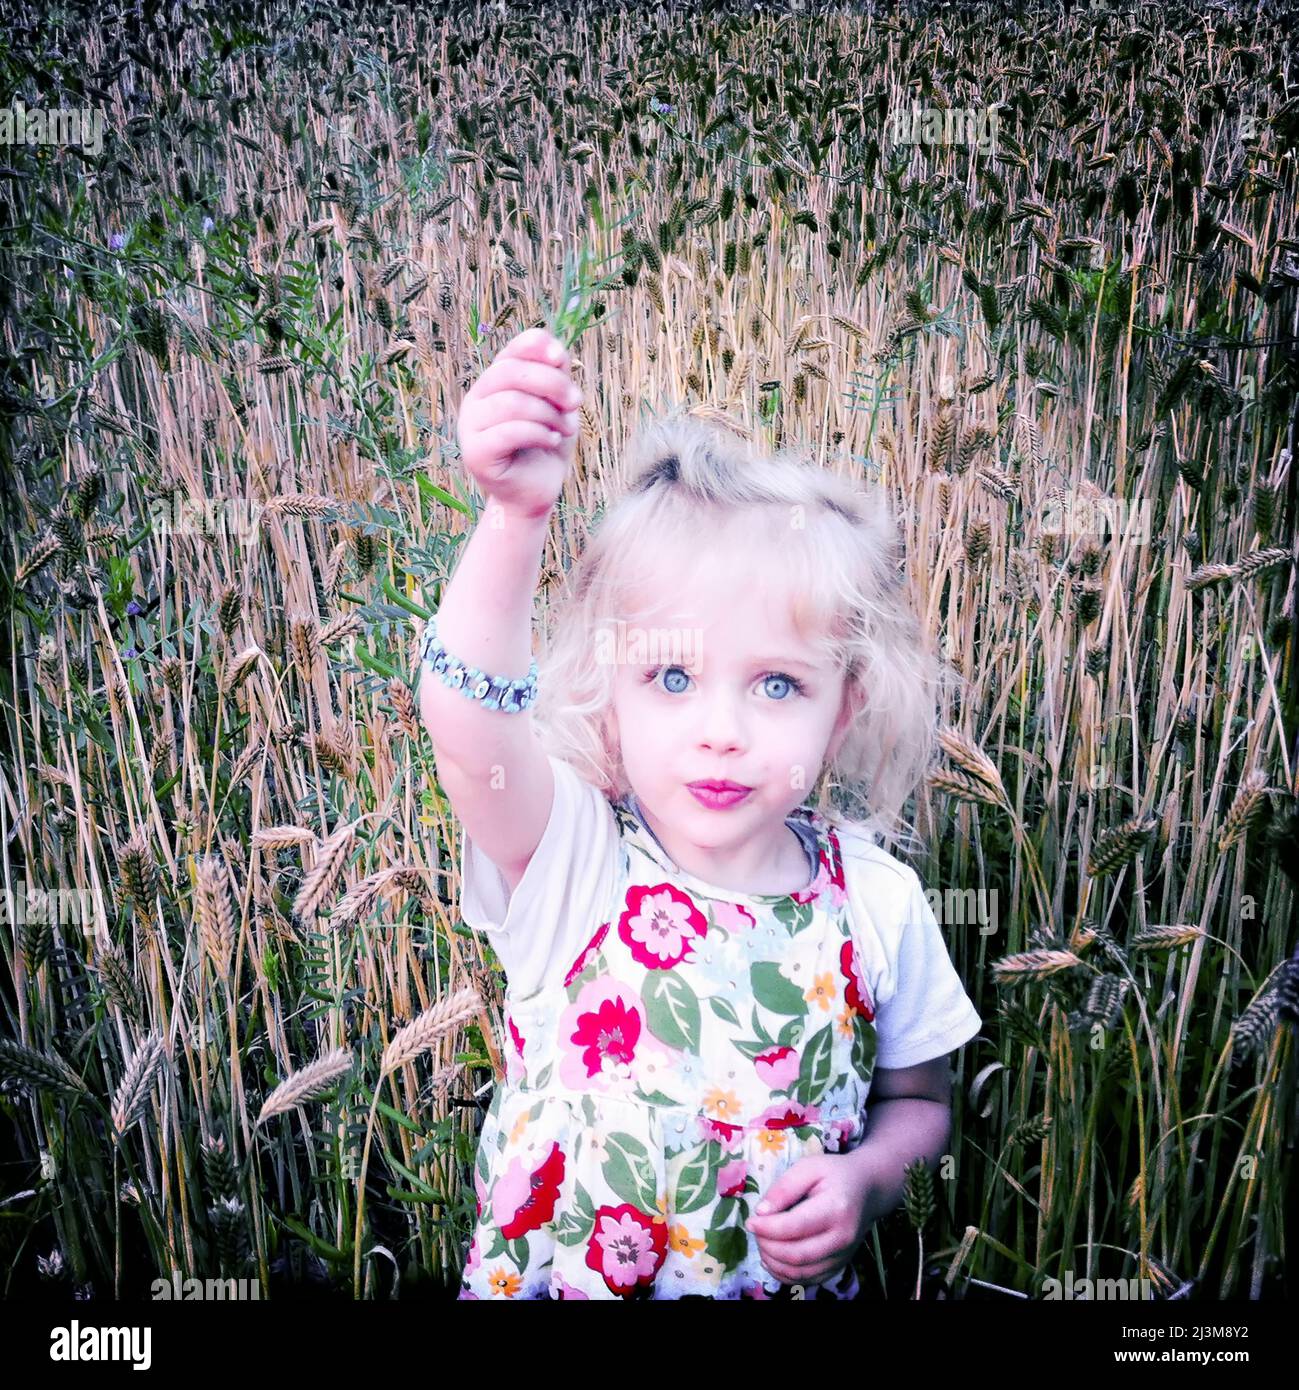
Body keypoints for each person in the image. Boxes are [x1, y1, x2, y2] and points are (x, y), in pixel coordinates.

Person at [418, 325, 982, 1300]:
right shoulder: (576, 867)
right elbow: (469, 725)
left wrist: (865, 1180)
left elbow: (920, 1104)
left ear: (842, 703)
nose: (720, 729)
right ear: (613, 689)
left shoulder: (878, 903)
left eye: (775, 685)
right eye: (673, 675)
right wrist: (512, 518)